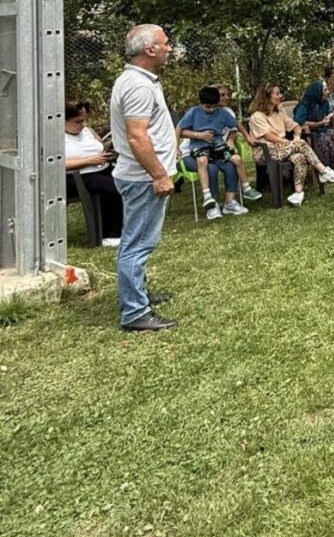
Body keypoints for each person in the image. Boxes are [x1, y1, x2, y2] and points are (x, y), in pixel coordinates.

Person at [110, 24, 177, 331]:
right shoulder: (137, 85)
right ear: (150, 50)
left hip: (141, 177)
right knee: (137, 244)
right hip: (143, 179)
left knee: (138, 241)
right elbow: (137, 137)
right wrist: (159, 175)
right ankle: (135, 312)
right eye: (166, 44)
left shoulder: (140, 80)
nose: (170, 48)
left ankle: (139, 295)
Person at [248, 82, 334, 207]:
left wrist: (296, 137)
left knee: (300, 157)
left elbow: (297, 126)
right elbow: (268, 136)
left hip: (283, 149)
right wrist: (289, 142)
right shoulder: (257, 116)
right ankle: (323, 171)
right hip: (266, 152)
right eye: (277, 94)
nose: (280, 96)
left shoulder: (279, 114)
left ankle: (297, 194)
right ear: (267, 97)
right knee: (300, 144)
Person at [176, 86, 260, 219]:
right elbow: (180, 129)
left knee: (233, 162)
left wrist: (247, 137)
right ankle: (210, 200)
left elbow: (235, 127)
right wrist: (181, 145)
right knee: (209, 166)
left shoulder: (224, 112)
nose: (211, 110)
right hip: (197, 147)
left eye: (213, 107)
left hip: (217, 145)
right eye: (208, 107)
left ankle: (234, 199)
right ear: (201, 102)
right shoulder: (194, 112)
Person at [64, 100, 123, 246]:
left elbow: (100, 147)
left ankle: (130, 226)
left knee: (128, 180)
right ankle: (109, 235)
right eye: (78, 121)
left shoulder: (88, 131)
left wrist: (106, 155)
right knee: (112, 188)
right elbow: (56, 165)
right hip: (76, 177)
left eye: (85, 120)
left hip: (102, 169)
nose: (83, 124)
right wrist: (90, 160)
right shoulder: (56, 138)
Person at [294, 80, 334, 169]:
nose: (328, 92)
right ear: (317, 92)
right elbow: (299, 122)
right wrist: (319, 123)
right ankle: (324, 169)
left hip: (322, 128)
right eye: (325, 90)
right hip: (308, 133)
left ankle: (332, 167)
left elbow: (331, 112)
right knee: (325, 140)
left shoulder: (324, 102)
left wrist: (328, 117)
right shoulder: (304, 104)